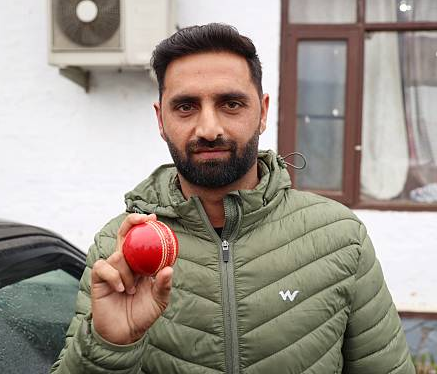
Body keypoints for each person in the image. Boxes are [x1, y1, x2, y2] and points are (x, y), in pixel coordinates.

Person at [51, 23, 414, 374]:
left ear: (263, 112)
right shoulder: (116, 250)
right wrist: (108, 346)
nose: (209, 129)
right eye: (186, 107)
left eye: (231, 104)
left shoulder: (339, 237)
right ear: (161, 120)